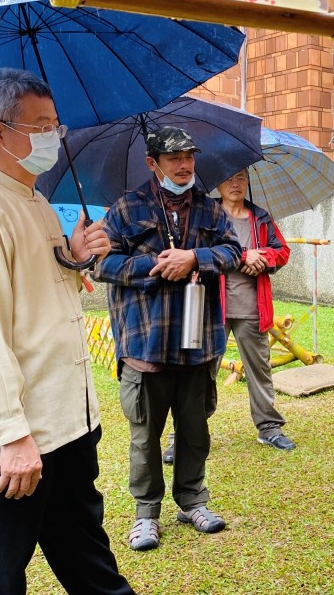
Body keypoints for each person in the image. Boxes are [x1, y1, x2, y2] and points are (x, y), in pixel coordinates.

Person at [0, 68, 135, 594]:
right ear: (1, 133)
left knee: (90, 562)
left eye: (55, 125)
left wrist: (74, 258)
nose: (55, 134)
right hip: (12, 445)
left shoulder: (38, 204)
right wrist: (13, 434)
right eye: (42, 124)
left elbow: (40, 297)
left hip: (64, 426)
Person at [94, 126, 242, 551]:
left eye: (189, 157)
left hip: (198, 341)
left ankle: (192, 500)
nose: (184, 165)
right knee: (145, 434)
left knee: (195, 430)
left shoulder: (210, 209)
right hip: (146, 342)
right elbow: (100, 265)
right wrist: (156, 267)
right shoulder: (126, 207)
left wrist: (195, 257)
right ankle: (146, 513)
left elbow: (233, 252)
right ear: (152, 163)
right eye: (173, 158)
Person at [216, 169, 296, 451]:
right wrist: (240, 256)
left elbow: (282, 251)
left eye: (240, 178)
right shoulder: (208, 215)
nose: (234, 184)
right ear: (218, 183)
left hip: (252, 306)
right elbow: (199, 251)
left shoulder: (260, 217)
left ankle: (269, 428)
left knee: (259, 369)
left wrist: (262, 257)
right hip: (213, 306)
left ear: (248, 181)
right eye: (228, 178)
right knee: (199, 373)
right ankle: (185, 434)